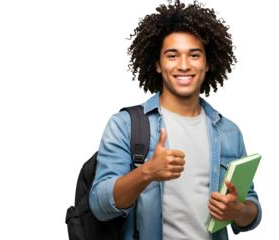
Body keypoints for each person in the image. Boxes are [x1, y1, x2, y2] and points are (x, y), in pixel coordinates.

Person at [89, 1, 263, 239]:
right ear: (158, 64)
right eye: (172, 55)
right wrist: (147, 173)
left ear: (208, 63)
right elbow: (100, 206)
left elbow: (251, 210)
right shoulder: (124, 125)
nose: (183, 65)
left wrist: (238, 210)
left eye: (194, 55)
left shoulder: (230, 131)